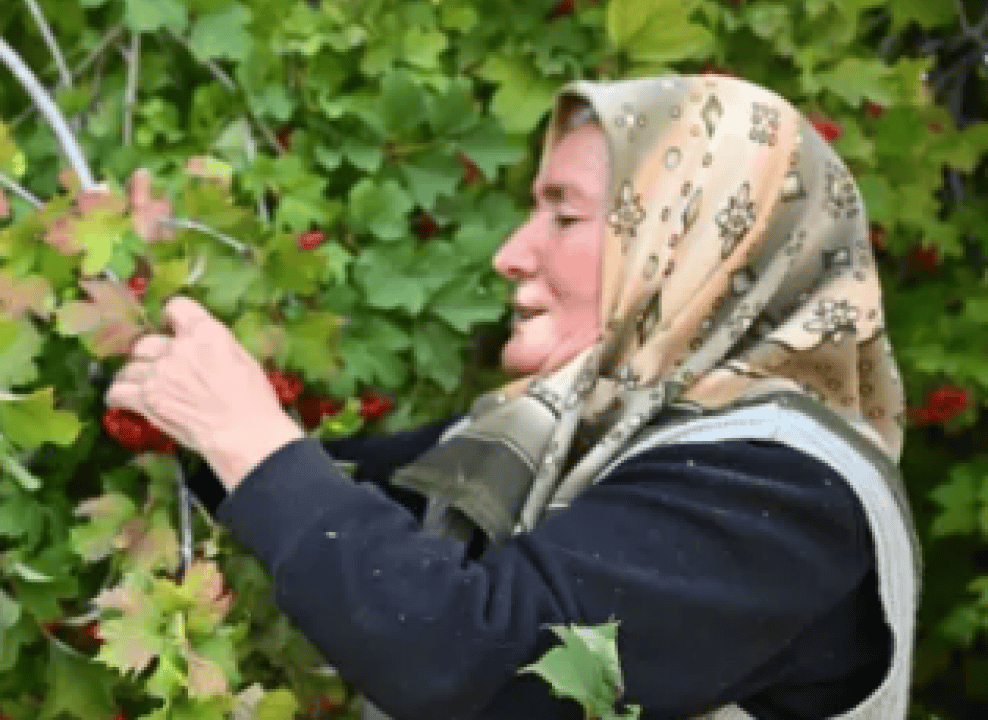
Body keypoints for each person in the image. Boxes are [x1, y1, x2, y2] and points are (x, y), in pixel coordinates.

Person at [105, 74, 919, 720]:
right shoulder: (563, 436)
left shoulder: (782, 490)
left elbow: (466, 655)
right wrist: (156, 307)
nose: (509, 254)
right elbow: (337, 499)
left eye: (562, 216)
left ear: (687, 249)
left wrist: (245, 432)